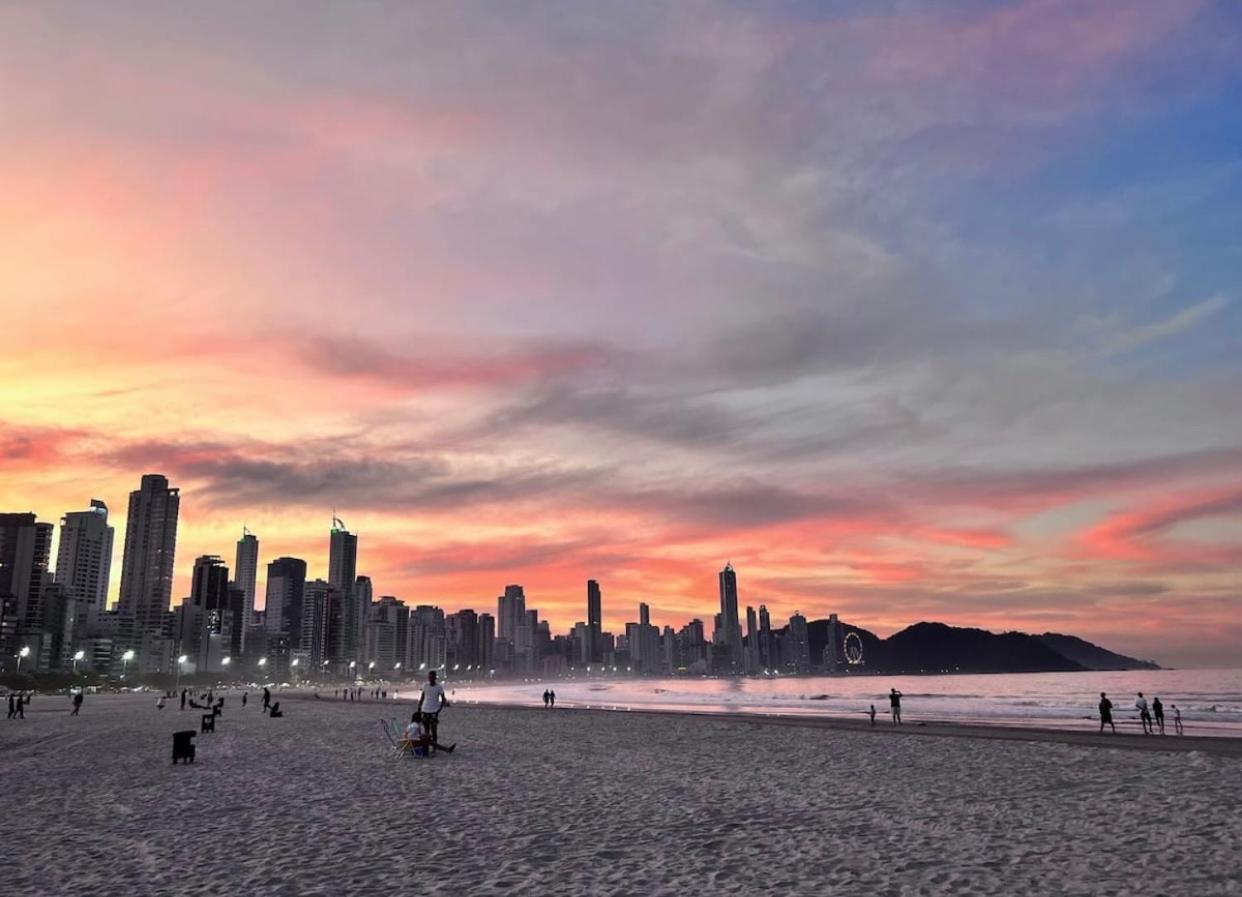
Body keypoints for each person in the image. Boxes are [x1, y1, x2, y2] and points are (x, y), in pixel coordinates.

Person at [417, 670, 449, 748]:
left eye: (431, 677)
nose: (430, 678)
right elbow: (422, 697)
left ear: (435, 678)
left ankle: (434, 747)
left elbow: (443, 698)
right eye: (429, 677)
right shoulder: (425, 685)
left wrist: (440, 708)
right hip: (425, 710)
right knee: (426, 730)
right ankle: (426, 746)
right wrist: (419, 707)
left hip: (434, 710)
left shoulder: (439, 687)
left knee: (434, 730)